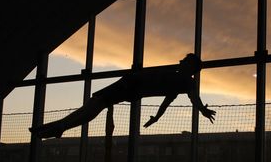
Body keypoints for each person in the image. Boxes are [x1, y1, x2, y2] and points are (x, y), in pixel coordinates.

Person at [30, 53, 216, 139]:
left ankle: (61, 126)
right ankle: (60, 126)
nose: (180, 61)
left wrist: (202, 110)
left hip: (129, 86)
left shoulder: (185, 82)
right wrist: (156, 118)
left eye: (184, 61)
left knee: (97, 102)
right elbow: (166, 103)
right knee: (97, 103)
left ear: (191, 67)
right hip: (129, 86)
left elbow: (193, 99)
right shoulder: (178, 80)